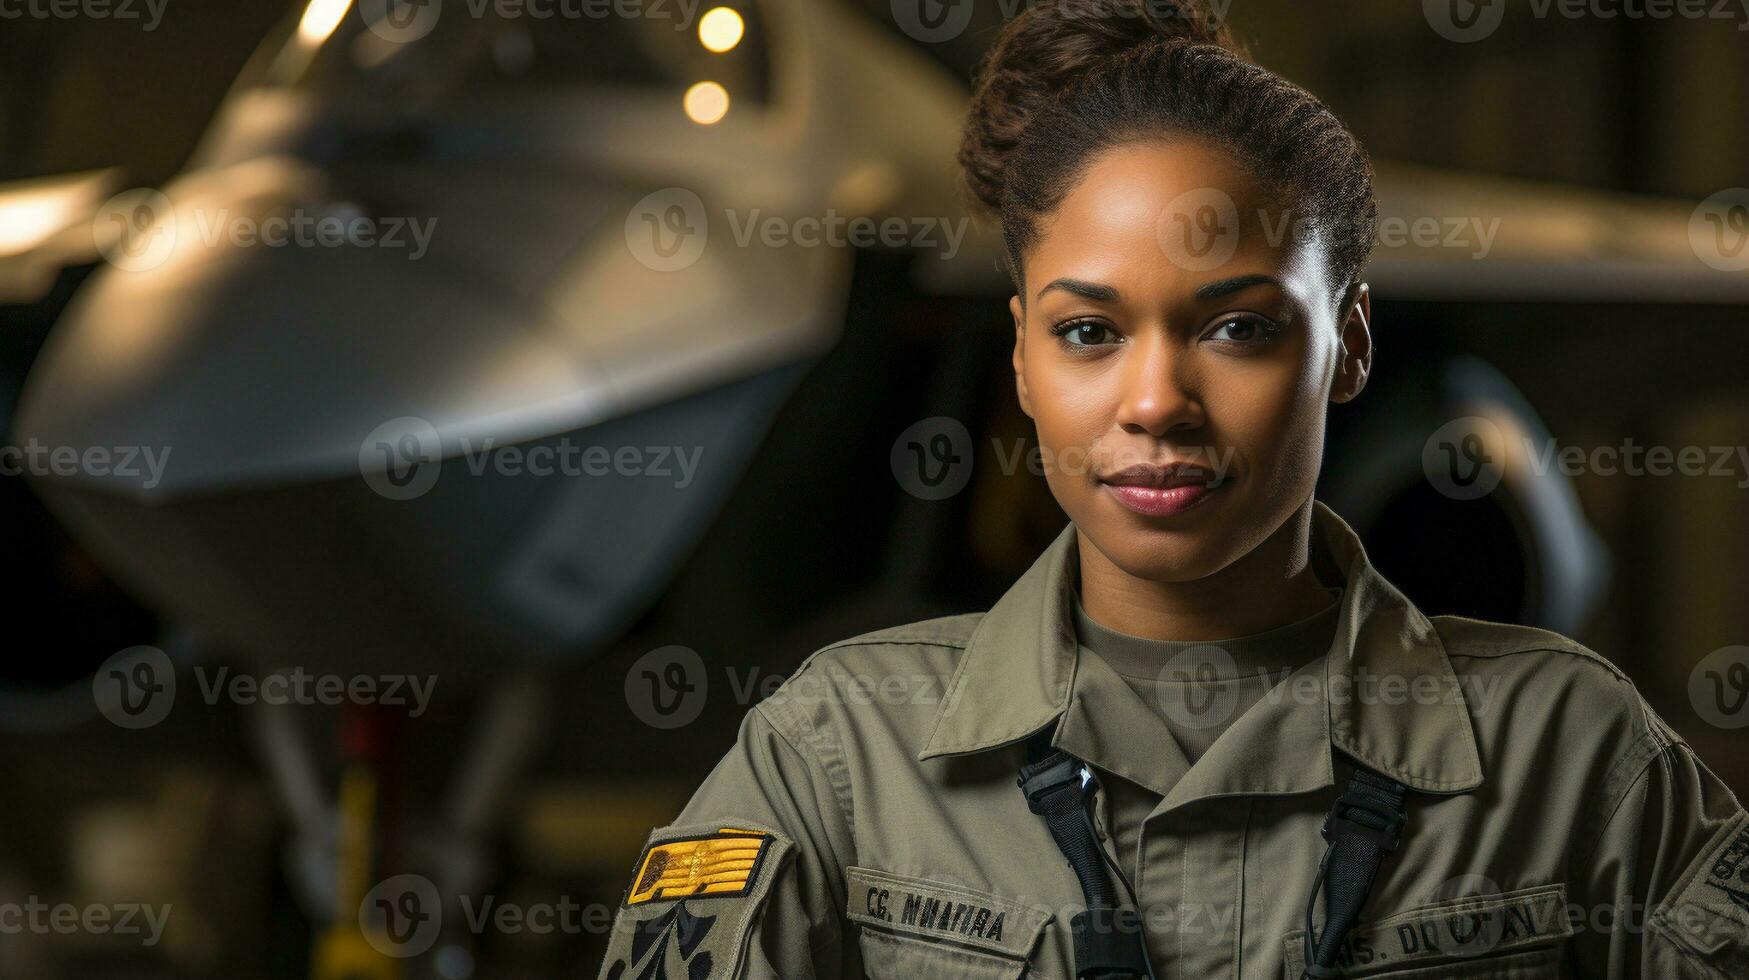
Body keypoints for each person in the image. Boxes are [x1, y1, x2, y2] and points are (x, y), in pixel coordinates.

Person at [596, 2, 1749, 977]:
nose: (1155, 401)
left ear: (1349, 344)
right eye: (1089, 330)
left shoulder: (1568, 750)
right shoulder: (834, 754)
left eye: (1239, 327)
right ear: (1020, 356)